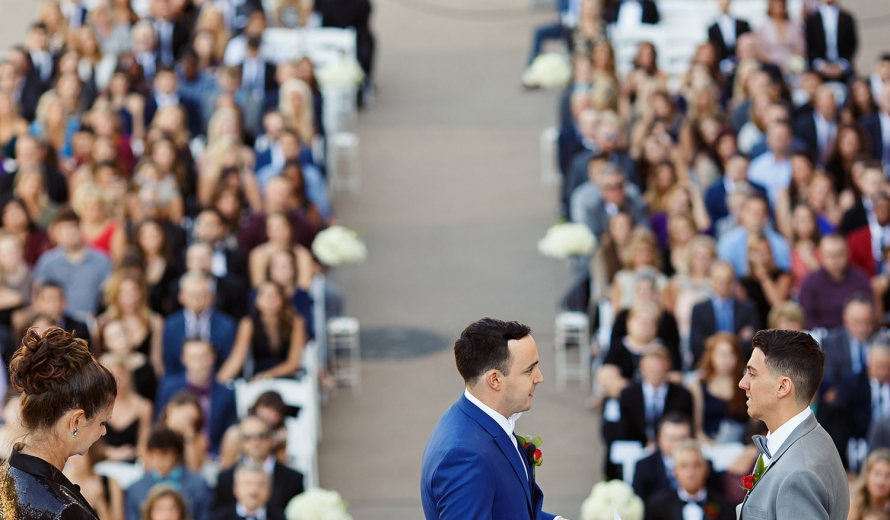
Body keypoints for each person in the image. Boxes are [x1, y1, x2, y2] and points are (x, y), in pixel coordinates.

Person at [420, 318, 563, 520]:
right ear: (495, 380)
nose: (539, 377)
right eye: (529, 370)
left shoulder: (477, 418)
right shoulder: (465, 458)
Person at [0, 326, 117, 520]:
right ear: (76, 420)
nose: (103, 432)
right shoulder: (64, 510)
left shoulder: (8, 473)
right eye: (102, 422)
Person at [736, 329, 848, 519]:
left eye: (752, 374)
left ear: (783, 387)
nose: (742, 383)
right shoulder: (809, 438)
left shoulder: (799, 474)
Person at [156, 338, 237, 456]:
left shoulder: (227, 393)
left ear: (213, 357)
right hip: (175, 454)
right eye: (194, 358)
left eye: (204, 356)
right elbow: (160, 423)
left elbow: (229, 431)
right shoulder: (168, 388)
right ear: (184, 359)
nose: (200, 363)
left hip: (215, 458)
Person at [32, 207, 113, 320]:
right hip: (56, 321)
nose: (68, 234)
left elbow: (110, 296)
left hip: (90, 319)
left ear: (80, 229)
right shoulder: (47, 262)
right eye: (63, 230)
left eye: (72, 228)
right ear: (56, 233)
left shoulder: (101, 260)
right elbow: (37, 297)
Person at [213, 415, 304, 512]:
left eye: (261, 436)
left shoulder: (293, 480)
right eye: (248, 437)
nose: (256, 442)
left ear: (271, 439)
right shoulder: (225, 479)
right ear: (241, 443)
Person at [126, 427, 212, 520]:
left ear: (176, 454)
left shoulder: (198, 484)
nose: (159, 461)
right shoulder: (136, 488)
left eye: (165, 455)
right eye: (154, 455)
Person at [162, 270, 236, 376]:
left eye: (202, 294)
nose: (197, 299)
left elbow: (228, 361)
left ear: (212, 296)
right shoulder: (171, 326)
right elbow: (169, 365)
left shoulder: (226, 326)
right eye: (192, 295)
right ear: (181, 297)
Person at [688, 260, 759, 366]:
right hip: (708, 366)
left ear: (733, 282)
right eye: (719, 280)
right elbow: (696, 346)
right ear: (711, 281)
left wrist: (712, 341)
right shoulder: (699, 309)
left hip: (741, 365)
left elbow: (753, 344)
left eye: (727, 280)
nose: (723, 284)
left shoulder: (747, 308)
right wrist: (737, 339)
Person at [617, 347, 693, 445]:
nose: (655, 372)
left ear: (668, 368)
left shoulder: (682, 395)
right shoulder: (628, 395)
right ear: (642, 367)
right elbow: (625, 427)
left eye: (659, 369)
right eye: (651, 368)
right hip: (636, 446)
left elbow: (684, 426)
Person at [644, 440, 735, 520]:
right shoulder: (657, 506)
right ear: (675, 471)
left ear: (706, 469)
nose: (691, 472)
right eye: (684, 466)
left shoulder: (725, 507)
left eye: (696, 465)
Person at [798, 234, 872, 330]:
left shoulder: (860, 279)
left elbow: (869, 310)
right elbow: (805, 314)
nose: (835, 259)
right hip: (820, 334)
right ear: (821, 255)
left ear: (848, 253)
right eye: (830, 255)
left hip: (854, 332)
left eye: (839, 254)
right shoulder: (811, 281)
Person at [821, 295, 875, 389]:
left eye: (867, 322)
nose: (863, 328)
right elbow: (829, 382)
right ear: (845, 319)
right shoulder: (831, 343)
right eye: (857, 322)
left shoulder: (881, 341)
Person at [211, 463, 287, 520]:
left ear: (269, 490)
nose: (253, 491)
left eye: (260, 485)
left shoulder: (279, 518)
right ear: (236, 488)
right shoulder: (218, 518)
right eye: (248, 484)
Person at [848, 449, 890, 520]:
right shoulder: (854, 504)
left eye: (887, 475)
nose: (881, 481)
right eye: (877, 474)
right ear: (867, 475)